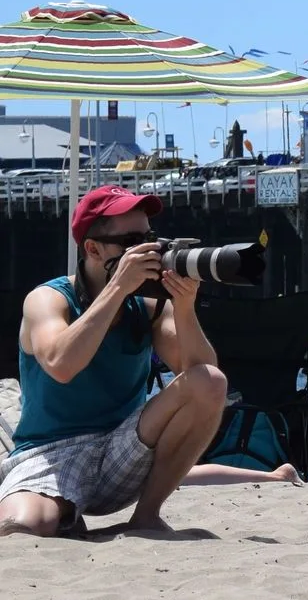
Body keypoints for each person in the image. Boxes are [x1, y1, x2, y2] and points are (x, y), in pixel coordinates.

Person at [1, 187, 230, 536]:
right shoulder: (47, 300)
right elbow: (61, 364)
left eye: (150, 238)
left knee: (210, 381)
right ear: (92, 249)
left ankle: (147, 515)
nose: (147, 250)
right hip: (52, 453)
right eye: (132, 241)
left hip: (124, 448)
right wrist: (117, 289)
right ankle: (62, 513)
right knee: (24, 526)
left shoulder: (150, 305)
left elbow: (202, 373)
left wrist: (183, 307)